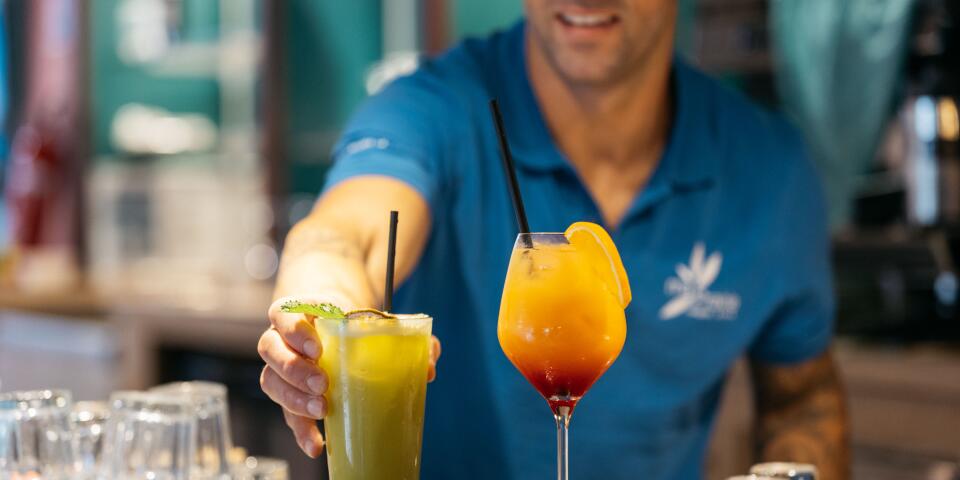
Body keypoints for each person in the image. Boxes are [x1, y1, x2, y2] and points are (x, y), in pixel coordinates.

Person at [257, 0, 850, 478]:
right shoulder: (433, 106)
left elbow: (802, 400)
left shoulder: (768, 168)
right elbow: (343, 234)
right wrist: (319, 317)